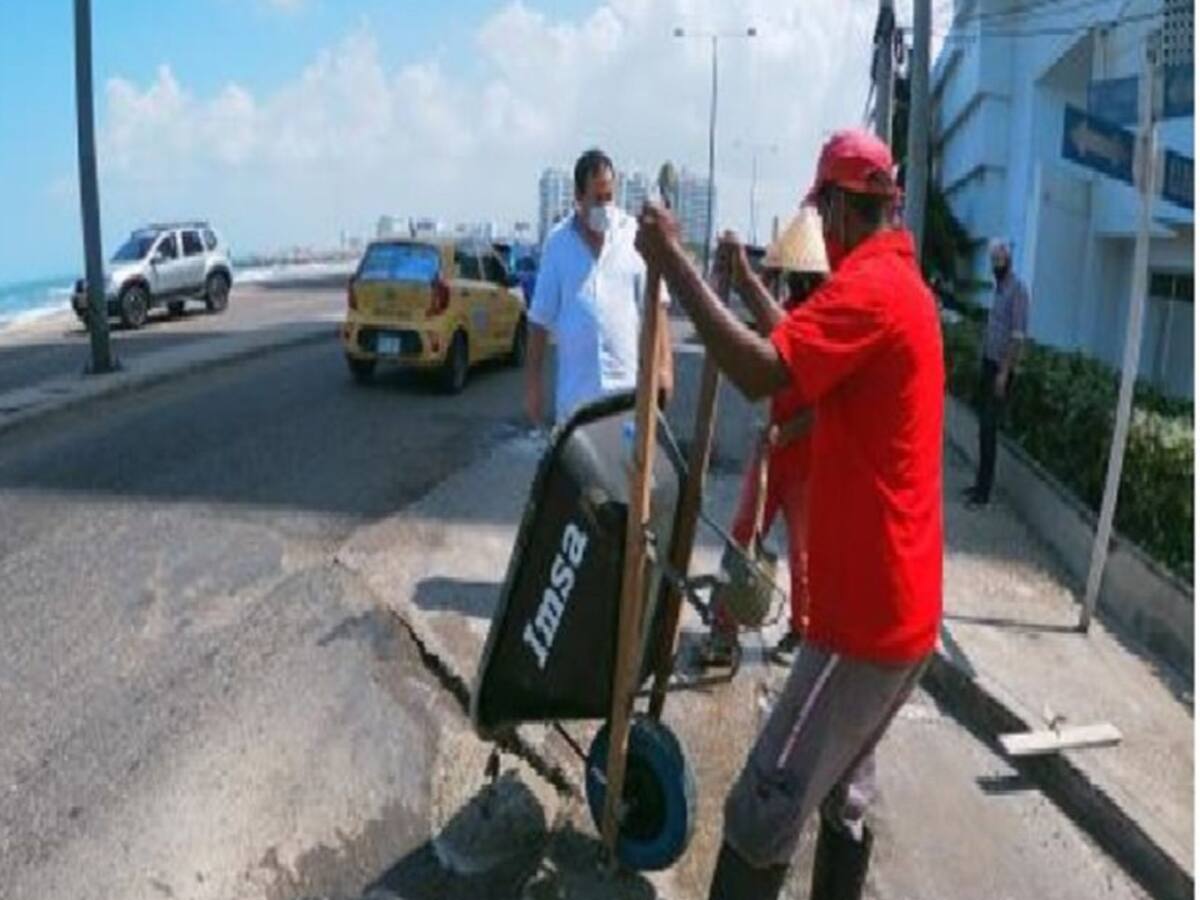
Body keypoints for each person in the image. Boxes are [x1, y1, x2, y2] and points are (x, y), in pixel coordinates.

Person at [634, 129, 944, 900]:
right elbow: (805, 347)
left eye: (823, 213)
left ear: (837, 206)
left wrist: (673, 263)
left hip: (862, 629)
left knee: (760, 809)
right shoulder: (893, 282)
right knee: (843, 799)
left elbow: (762, 371)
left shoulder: (872, 288)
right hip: (899, 618)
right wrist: (740, 281)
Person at [698, 206, 829, 670]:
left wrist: (783, 431)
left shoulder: (828, 322)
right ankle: (725, 626)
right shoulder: (790, 311)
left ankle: (801, 628)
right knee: (742, 534)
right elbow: (767, 338)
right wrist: (741, 277)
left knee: (802, 550)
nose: (792, 282)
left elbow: (823, 408)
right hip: (773, 451)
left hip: (804, 454)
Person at [525, 148, 673, 426]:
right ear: (579, 198)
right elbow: (539, 320)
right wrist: (533, 385)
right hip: (576, 405)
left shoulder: (634, 237)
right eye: (597, 199)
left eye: (609, 198)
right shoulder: (558, 244)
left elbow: (657, 305)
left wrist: (664, 367)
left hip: (627, 400)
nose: (604, 207)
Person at [964, 239, 1029, 508]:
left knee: (990, 428)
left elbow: (1017, 336)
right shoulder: (999, 289)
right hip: (988, 363)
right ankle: (979, 484)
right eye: (993, 261)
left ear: (1009, 261)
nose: (996, 265)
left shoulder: (1018, 290)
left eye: (1000, 260)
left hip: (1001, 369)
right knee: (982, 428)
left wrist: (1004, 372)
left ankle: (983, 495)